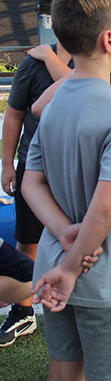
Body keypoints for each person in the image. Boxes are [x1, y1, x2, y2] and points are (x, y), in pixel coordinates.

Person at [21, 0, 111, 381]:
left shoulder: (52, 106)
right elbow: (107, 204)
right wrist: (74, 266)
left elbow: (30, 182)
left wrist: (63, 234)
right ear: (110, 40)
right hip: (103, 275)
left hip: (54, 263)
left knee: (62, 375)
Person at [0, 42, 72, 347]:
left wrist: (50, 57)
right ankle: (23, 310)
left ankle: (80, 309)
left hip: (78, 169)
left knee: (81, 238)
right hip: (35, 167)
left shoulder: (98, 57)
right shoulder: (34, 62)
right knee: (27, 238)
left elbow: (82, 81)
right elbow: (15, 114)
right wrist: (8, 164)